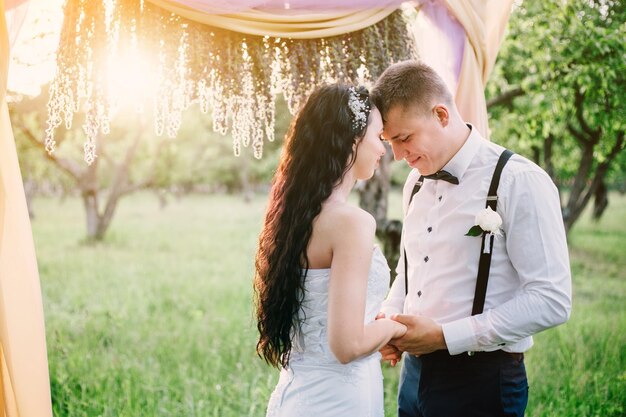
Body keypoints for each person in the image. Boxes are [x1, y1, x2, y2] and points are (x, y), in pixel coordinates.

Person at [371, 61, 572, 417]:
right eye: (389, 143)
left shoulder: (519, 180)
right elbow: (408, 271)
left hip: (484, 380)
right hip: (412, 379)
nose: (398, 156)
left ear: (441, 114)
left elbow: (551, 299)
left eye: (404, 139)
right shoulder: (414, 183)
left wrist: (447, 336)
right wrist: (390, 318)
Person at [254, 84, 407, 417]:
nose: (384, 149)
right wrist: (394, 328)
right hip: (337, 402)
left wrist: (372, 329)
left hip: (297, 395)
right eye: (378, 136)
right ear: (352, 138)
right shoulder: (351, 223)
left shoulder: (294, 217)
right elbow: (347, 345)